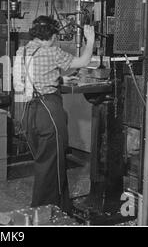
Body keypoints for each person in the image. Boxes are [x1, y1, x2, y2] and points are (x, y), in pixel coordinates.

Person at [13, 16, 95, 213]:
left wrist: (58, 77)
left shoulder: (21, 51)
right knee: (51, 166)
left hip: (27, 113)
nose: (57, 39)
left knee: (47, 162)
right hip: (48, 111)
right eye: (55, 35)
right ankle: (45, 212)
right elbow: (84, 60)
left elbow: (32, 78)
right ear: (50, 36)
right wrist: (90, 40)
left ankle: (62, 206)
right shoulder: (51, 51)